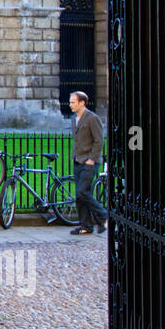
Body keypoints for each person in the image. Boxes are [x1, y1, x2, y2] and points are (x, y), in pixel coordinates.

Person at [67, 91, 108, 234]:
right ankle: (86, 225)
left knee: (82, 191)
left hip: (89, 162)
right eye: (71, 102)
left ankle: (103, 216)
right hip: (78, 160)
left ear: (82, 103)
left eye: (73, 102)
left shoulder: (92, 118)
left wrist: (92, 159)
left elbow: (99, 140)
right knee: (79, 195)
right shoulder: (73, 119)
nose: (70, 104)